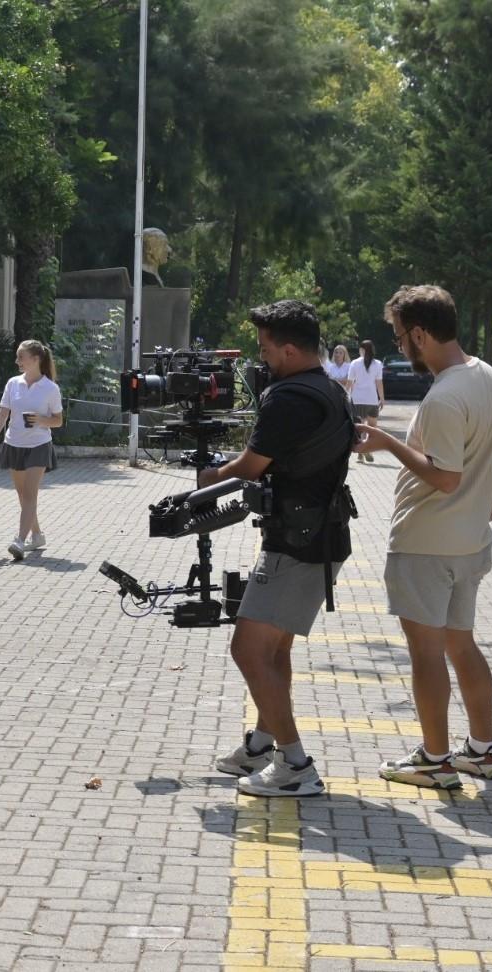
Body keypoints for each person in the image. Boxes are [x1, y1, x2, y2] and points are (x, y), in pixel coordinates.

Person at [355, 285, 492, 790]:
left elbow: (445, 476)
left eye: (399, 336)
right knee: (462, 646)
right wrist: (486, 510)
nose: (400, 346)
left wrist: (388, 441)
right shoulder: (489, 378)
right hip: (468, 543)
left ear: (419, 334)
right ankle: (482, 750)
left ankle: (434, 760)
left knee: (427, 653)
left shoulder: (444, 397)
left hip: (425, 543)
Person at [200, 300, 355, 798]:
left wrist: (211, 476)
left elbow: (252, 464)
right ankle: (262, 745)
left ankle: (294, 765)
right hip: (317, 535)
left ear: (289, 349)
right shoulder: (329, 387)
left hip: (298, 541)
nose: (262, 359)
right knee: (275, 650)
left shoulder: (287, 396)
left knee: (247, 649)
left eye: (267, 349)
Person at [0, 340, 63, 560]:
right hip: (14, 443)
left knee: (30, 494)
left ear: (36, 359)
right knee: (23, 495)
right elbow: (2, 414)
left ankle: (19, 541)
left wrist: (41, 419)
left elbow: (58, 421)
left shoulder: (50, 388)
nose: (17, 361)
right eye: (18, 357)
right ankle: (37, 535)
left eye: (21, 357)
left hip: (39, 445)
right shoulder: (13, 383)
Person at [346, 339, 384, 462]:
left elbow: (350, 382)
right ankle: (368, 449)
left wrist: (346, 395)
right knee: (372, 428)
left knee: (361, 427)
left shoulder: (355, 363)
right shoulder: (378, 364)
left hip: (358, 399)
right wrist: (382, 398)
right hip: (372, 399)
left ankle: (360, 453)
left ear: (362, 350)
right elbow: (379, 383)